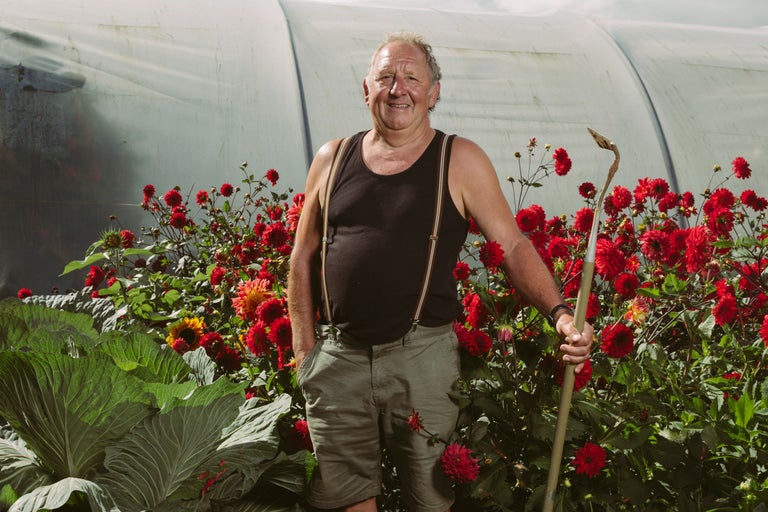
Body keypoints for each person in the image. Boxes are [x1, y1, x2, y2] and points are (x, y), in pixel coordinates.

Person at [288, 31, 594, 512]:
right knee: (345, 500)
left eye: (412, 78)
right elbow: (302, 255)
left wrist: (559, 313)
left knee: (428, 499)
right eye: (385, 76)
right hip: (338, 357)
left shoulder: (459, 159)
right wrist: (305, 350)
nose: (397, 88)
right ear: (364, 88)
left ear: (434, 92)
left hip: (421, 358)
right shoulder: (332, 157)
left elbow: (511, 245)